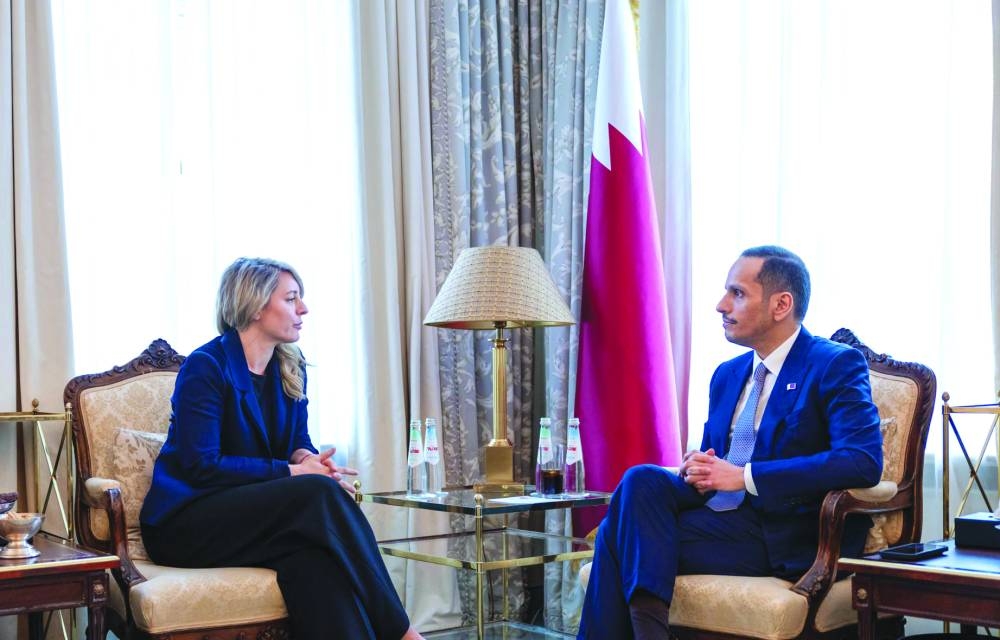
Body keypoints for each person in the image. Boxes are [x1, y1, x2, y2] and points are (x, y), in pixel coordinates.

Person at [577, 246, 883, 639]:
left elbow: (861, 460)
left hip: (787, 532)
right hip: (722, 518)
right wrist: (700, 467)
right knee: (640, 480)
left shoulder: (834, 364)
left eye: (737, 293)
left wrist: (745, 476)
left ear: (781, 305)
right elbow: (717, 462)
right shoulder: (727, 374)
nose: (721, 305)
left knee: (615, 536)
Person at [140, 257, 424, 640]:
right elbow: (201, 466)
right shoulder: (206, 366)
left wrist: (307, 459)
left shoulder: (291, 365)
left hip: (252, 519)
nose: (303, 309)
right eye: (291, 299)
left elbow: (296, 441)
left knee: (314, 562)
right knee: (318, 493)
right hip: (186, 523)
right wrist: (295, 473)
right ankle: (403, 633)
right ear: (256, 306)